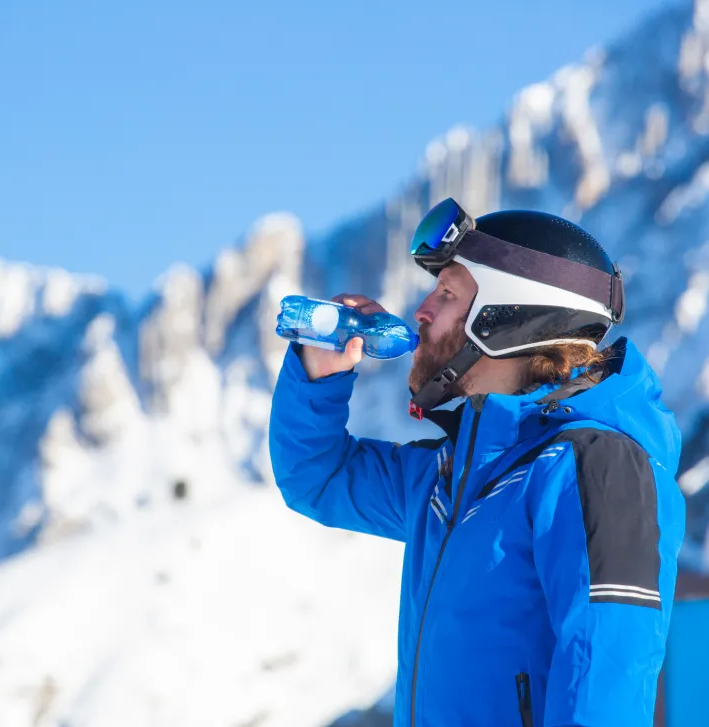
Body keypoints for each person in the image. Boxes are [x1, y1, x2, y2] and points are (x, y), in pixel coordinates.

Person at [267, 198, 685, 727]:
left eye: (446, 293)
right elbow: (317, 477)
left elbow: (607, 673)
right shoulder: (452, 476)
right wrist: (320, 376)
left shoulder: (593, 465)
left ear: (505, 315)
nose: (421, 310)